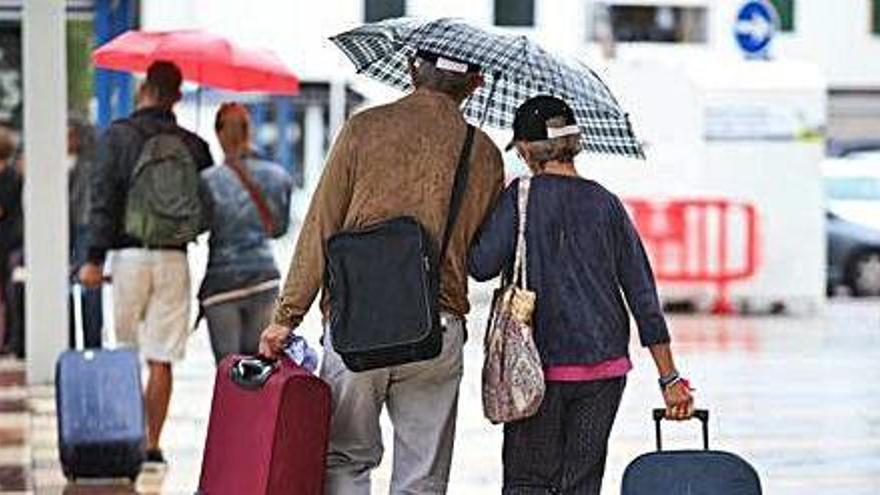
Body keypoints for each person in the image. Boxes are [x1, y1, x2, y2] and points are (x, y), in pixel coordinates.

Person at [259, 51, 505, 494]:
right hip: (438, 324)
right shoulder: (485, 152)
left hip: (358, 325)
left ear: (412, 70)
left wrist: (286, 317)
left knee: (344, 461)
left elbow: (321, 225)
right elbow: (482, 256)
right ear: (474, 85)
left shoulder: (363, 129)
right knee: (422, 476)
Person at [468, 95, 695, 495]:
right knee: (582, 485)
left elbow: (481, 265)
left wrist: (479, 215)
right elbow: (642, 295)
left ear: (525, 149)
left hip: (535, 369)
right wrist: (669, 377)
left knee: (528, 482)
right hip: (604, 371)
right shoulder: (606, 203)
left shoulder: (518, 197)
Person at [79, 61, 213, 465]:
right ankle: (151, 446)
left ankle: (125, 438)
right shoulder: (193, 144)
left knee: (125, 350)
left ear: (145, 90)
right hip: (174, 258)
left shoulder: (117, 137)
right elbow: (207, 208)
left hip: (127, 257)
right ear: (176, 94)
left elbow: (102, 200)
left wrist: (92, 258)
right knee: (162, 357)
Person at [199, 102, 292, 364]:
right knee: (262, 370)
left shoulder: (207, 180)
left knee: (230, 374)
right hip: (264, 280)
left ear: (218, 134)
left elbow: (200, 224)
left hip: (222, 285)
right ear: (248, 131)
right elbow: (279, 231)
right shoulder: (278, 177)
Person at [67, 116, 103, 349]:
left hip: (83, 230)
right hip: (89, 230)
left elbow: (75, 203)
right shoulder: (90, 161)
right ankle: (92, 343)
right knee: (89, 289)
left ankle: (83, 343)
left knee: (85, 289)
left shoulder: (84, 165)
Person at [0, 129, 21, 356]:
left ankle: (7, 339)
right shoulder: (14, 176)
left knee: (7, 294)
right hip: (10, 240)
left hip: (6, 241)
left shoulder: (9, 178)